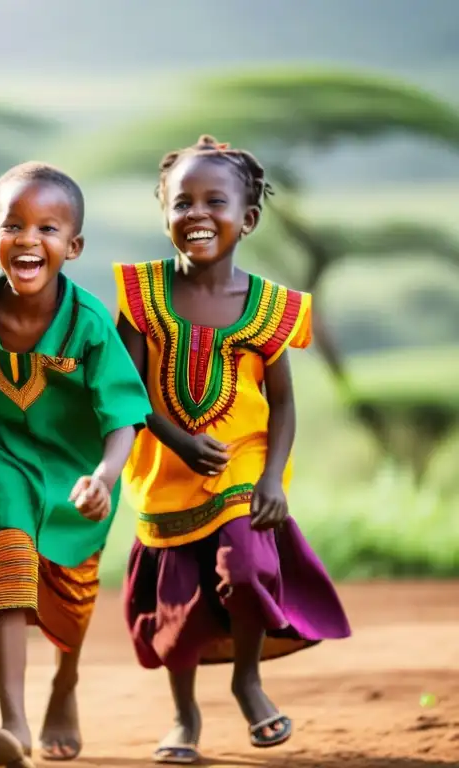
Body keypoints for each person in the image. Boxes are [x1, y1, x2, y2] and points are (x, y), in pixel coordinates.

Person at [114, 135, 352, 764]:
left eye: (213, 201)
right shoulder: (140, 295)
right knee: (179, 602)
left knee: (245, 570)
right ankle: (184, 714)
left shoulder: (272, 307)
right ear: (164, 215)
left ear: (247, 218)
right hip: (165, 467)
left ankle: (248, 679)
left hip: (242, 462)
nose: (196, 214)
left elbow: (284, 402)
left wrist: (272, 478)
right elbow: (126, 389)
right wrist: (178, 441)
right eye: (180, 202)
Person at [0, 162, 152, 768]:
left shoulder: (87, 325)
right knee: (10, 556)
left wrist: (106, 478)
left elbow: (122, 418)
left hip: (78, 471)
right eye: (13, 225)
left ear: (73, 246)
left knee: (73, 591)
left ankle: (65, 681)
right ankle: (13, 722)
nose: (29, 239)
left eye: (48, 228)